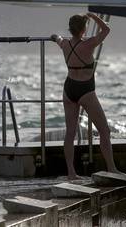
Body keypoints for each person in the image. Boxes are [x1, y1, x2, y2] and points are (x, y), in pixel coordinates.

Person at [51, 13, 118, 180]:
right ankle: (111, 169)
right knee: (104, 131)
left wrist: (54, 36)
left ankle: (71, 173)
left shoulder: (64, 44)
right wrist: (93, 16)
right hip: (85, 90)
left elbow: (57, 38)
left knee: (70, 133)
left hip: (69, 89)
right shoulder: (89, 44)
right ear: (83, 29)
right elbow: (106, 29)